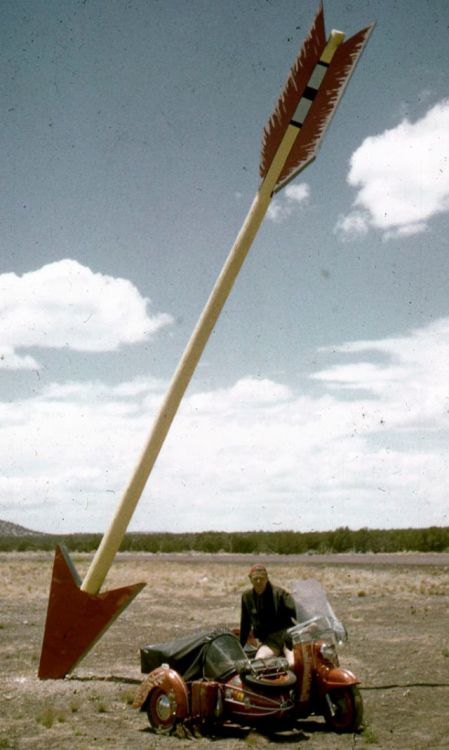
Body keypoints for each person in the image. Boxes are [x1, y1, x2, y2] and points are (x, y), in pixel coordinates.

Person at [239, 563, 296, 664]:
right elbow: (245, 624)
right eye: (255, 578)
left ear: (267, 578)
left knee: (292, 664)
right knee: (258, 663)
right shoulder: (247, 597)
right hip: (270, 641)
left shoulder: (280, 594)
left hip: (287, 638)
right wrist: (240, 647)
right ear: (250, 579)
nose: (258, 581)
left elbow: (296, 613)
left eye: (261, 578)